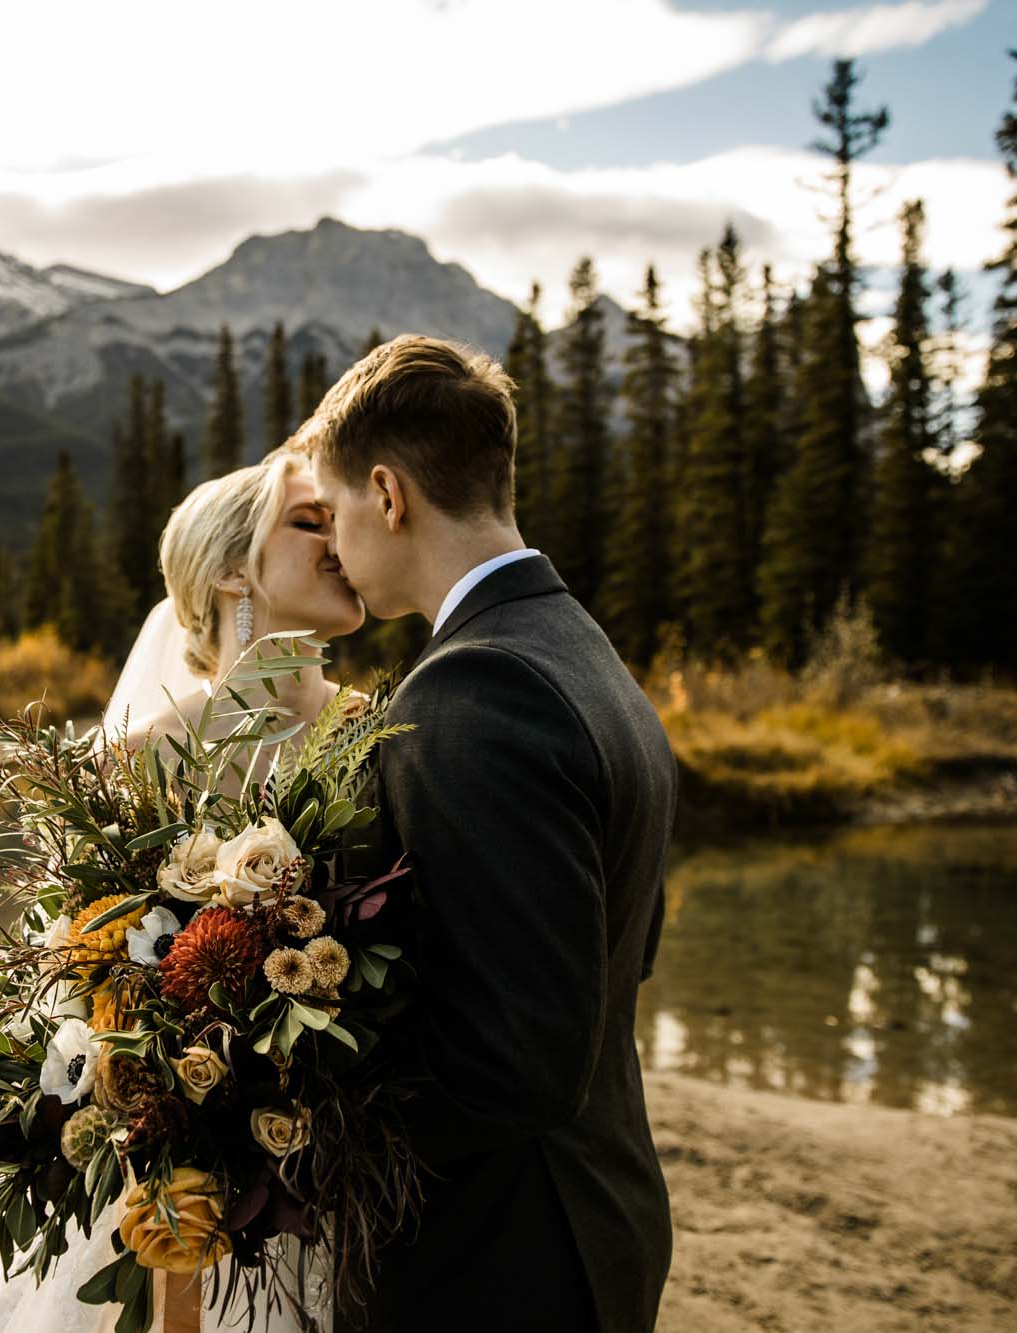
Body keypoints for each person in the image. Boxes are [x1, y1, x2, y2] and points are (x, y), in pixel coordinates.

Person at [0, 446, 363, 1333]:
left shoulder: (371, 729)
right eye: (308, 520)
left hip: (332, 1153)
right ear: (228, 570)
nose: (341, 536)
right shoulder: (143, 757)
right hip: (169, 1149)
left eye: (337, 518)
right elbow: (81, 963)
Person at [297, 335, 676, 1332]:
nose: (331, 544)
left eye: (332, 510)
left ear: (387, 493)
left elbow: (513, 1061)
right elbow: (618, 955)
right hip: (596, 1211)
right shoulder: (578, 648)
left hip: (498, 1261)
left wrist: (286, 1080)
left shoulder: (473, 690)